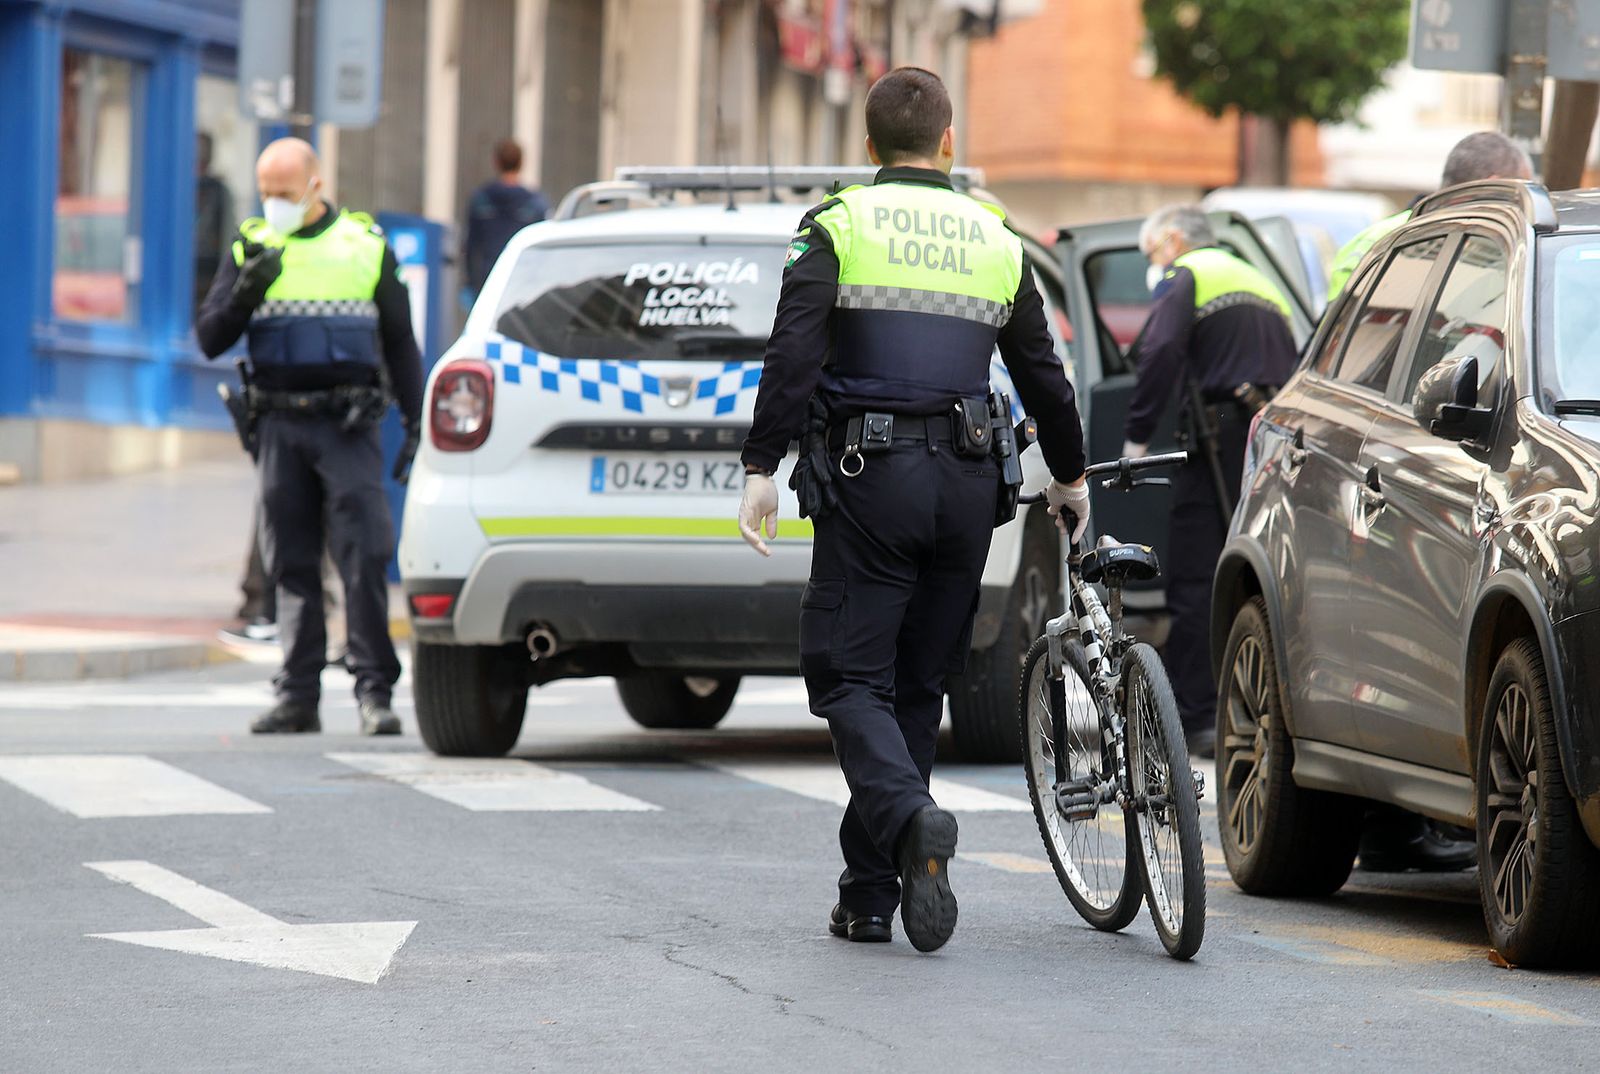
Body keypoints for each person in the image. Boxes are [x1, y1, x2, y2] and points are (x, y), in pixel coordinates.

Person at [735, 67, 1090, 953]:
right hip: (970, 482)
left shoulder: (837, 224)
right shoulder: (995, 235)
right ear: (948, 143)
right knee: (917, 688)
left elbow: (793, 354)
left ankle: (909, 815)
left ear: (866, 148)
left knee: (849, 680)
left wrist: (760, 466)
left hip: (871, 479)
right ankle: (869, 898)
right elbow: (1043, 373)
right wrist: (1071, 476)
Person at [1322, 131, 1531, 874]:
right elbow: (1417, 358)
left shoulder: (1395, 240)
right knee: (1375, 627)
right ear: (1486, 186)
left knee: (1368, 627)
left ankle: (1389, 827)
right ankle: (1389, 828)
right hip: (1395, 445)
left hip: (1375, 438)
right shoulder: (1443, 250)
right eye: (1519, 185)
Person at [195, 137, 424, 737]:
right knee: (290, 564)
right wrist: (245, 289)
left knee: (364, 557)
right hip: (279, 425)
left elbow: (400, 340)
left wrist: (418, 420)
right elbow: (210, 338)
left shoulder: (363, 246)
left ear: (316, 187)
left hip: (347, 426)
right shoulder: (251, 244)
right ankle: (297, 696)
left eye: (285, 194)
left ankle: (376, 693)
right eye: (266, 192)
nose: (274, 205)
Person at [1126, 205, 1297, 760]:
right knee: (1256, 574)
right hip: (1270, 437)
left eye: (1151, 253)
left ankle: (1194, 718)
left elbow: (1160, 350)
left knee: (1195, 578)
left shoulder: (1187, 273)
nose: (1154, 266)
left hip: (1219, 435)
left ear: (1174, 240)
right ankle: (1252, 709)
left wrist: (1136, 436)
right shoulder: (1256, 279)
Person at [1326, 131, 1533, 300]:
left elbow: (1333, 338)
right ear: (1492, 186)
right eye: (1517, 197)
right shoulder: (1479, 249)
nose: (1519, 210)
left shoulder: (1374, 239)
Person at [462, 139, 548, 299]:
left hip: (488, 281)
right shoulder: (534, 203)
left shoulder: (481, 200)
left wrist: (471, 283)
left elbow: (470, 246)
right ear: (521, 163)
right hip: (522, 282)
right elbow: (541, 251)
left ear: (496, 162)